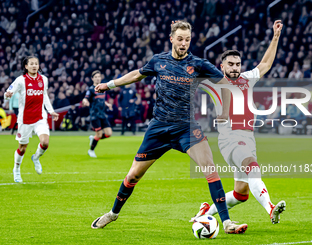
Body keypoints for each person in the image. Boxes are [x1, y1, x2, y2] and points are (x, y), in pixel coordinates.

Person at [91, 21, 248, 234]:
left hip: (186, 127)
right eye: (180, 39)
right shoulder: (159, 61)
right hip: (159, 128)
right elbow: (136, 75)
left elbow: (227, 86)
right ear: (171, 38)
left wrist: (224, 112)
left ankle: (228, 222)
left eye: (188, 40)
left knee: (210, 169)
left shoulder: (198, 64)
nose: (184, 44)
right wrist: (109, 85)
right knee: (133, 176)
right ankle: (113, 214)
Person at [192, 20, 286, 224]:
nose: (235, 68)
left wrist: (276, 36)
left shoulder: (246, 78)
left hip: (248, 138)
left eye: (237, 64)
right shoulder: (213, 82)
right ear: (222, 66)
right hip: (230, 139)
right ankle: (270, 209)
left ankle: (206, 210)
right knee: (253, 167)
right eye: (230, 64)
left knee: (240, 193)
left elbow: (265, 64)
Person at [4, 56, 59, 183]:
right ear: (26, 66)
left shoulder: (43, 79)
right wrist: (7, 95)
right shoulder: (21, 80)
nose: (34, 66)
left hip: (40, 117)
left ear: (39, 66)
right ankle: (16, 170)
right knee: (22, 148)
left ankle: (36, 157)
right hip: (25, 120)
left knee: (45, 142)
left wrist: (51, 111)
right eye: (31, 64)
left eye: (36, 64)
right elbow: (9, 92)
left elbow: (45, 96)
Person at [82, 70, 113, 158]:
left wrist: (107, 104)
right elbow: (86, 98)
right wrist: (85, 101)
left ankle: (93, 138)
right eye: (95, 77)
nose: (97, 78)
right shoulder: (91, 89)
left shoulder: (103, 87)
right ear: (92, 79)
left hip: (102, 114)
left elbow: (101, 100)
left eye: (99, 76)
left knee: (108, 134)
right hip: (94, 115)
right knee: (99, 134)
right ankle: (91, 150)